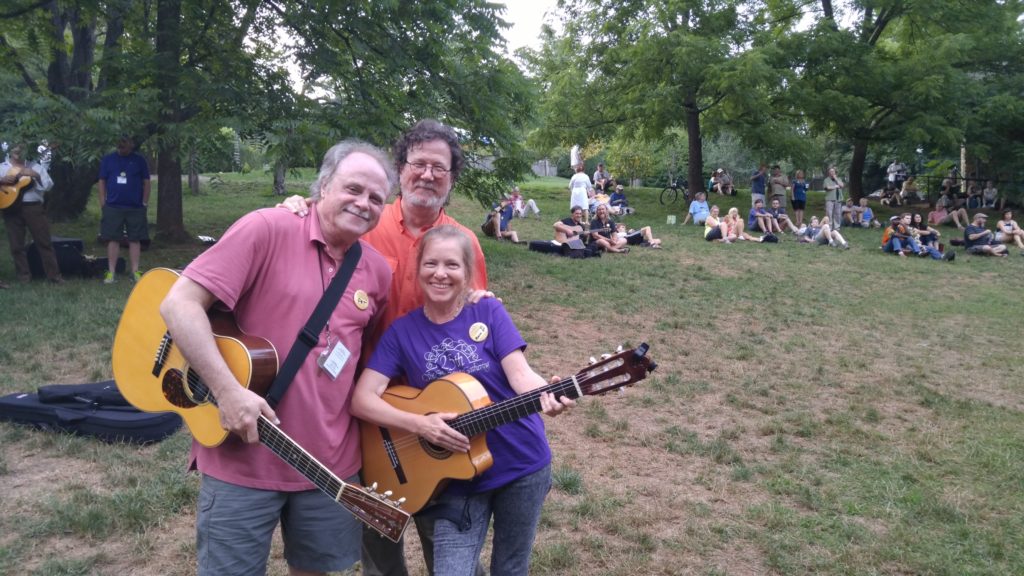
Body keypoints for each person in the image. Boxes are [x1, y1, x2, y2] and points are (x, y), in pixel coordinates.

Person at [159, 140, 396, 576]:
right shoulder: (266, 228)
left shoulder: (378, 272)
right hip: (243, 457)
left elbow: (365, 361)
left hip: (328, 465)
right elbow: (179, 304)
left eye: (375, 198)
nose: (363, 203)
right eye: (353, 189)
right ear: (324, 185)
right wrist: (227, 392)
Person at [280, 119, 489, 576]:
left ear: (452, 178)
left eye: (440, 167)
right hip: (367, 406)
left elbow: (476, 320)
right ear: (401, 169)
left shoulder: (465, 242)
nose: (428, 175)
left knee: (444, 535)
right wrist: (298, 208)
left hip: (441, 411)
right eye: (418, 163)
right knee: (377, 534)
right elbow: (319, 227)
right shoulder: (366, 224)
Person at [351, 225, 574, 576]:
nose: (440, 273)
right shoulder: (402, 332)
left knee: (510, 569)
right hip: (455, 478)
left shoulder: (488, 311)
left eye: (452, 265)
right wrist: (420, 425)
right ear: (418, 270)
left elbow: (520, 375)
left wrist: (548, 392)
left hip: (521, 463)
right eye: (431, 264)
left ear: (468, 273)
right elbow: (362, 400)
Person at [0, 142, 63, 284]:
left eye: (21, 148)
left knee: (44, 242)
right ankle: (24, 277)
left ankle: (54, 276)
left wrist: (36, 176)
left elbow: (48, 186)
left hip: (33, 207)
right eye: (15, 147)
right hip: (10, 207)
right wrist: (1, 180)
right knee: (16, 245)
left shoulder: (36, 167)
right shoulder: (2, 168)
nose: (18, 150)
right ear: (10, 149)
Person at [98, 135, 151, 284]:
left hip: (135, 207)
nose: (121, 146)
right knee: (112, 239)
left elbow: (146, 182)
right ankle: (111, 272)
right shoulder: (108, 159)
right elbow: (102, 181)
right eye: (119, 143)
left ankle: (135, 272)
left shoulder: (139, 160)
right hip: (113, 206)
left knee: (135, 239)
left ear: (131, 144)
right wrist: (103, 202)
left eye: (125, 143)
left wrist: (144, 202)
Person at [883, 213, 950, 260]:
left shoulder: (902, 227)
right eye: (896, 220)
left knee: (930, 248)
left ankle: (940, 257)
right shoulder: (889, 228)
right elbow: (895, 235)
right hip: (888, 247)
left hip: (906, 245)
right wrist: (907, 237)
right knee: (895, 237)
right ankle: (900, 252)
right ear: (892, 221)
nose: (897, 221)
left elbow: (909, 235)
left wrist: (903, 225)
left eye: (898, 219)